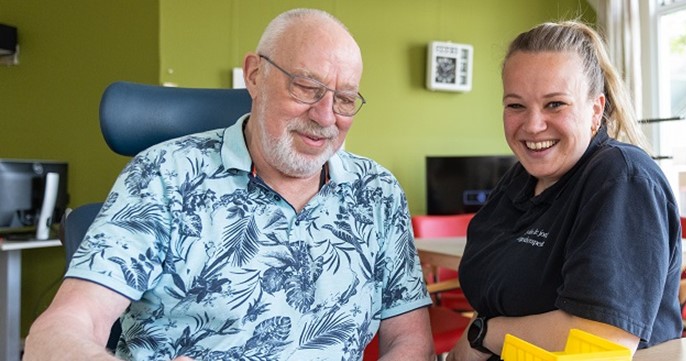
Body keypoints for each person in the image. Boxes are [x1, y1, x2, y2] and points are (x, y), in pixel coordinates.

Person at [24, 8, 435, 361]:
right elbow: (59, 331)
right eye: (307, 88)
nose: (326, 116)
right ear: (255, 76)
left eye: (344, 99)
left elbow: (410, 339)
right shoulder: (164, 175)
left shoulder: (377, 192)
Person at [447, 21, 682, 361]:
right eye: (516, 105)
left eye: (555, 104)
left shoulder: (622, 177)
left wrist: (482, 334)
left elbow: (603, 340)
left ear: (596, 110)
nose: (532, 125)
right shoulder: (518, 180)